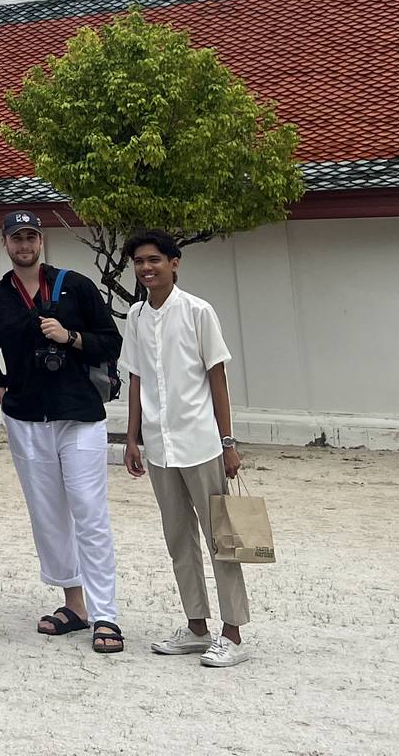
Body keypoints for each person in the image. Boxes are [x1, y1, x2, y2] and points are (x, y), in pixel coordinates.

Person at [0, 209, 127, 654]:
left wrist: (70, 338)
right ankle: (74, 604)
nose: (24, 245)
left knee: (89, 511)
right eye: (16, 238)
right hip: (27, 418)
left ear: (41, 241)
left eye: (31, 237)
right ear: (4, 243)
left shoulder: (75, 286)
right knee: (48, 515)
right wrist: (0, 388)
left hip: (79, 414)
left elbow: (111, 341)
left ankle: (106, 614)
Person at [120, 231, 251, 668]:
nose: (146, 268)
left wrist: (228, 443)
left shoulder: (198, 311)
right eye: (139, 261)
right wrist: (132, 437)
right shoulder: (136, 315)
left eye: (154, 259)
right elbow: (136, 378)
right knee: (178, 538)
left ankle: (233, 633)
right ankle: (197, 627)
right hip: (159, 445)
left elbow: (218, 378)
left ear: (174, 262)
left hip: (200, 442)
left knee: (220, 538)